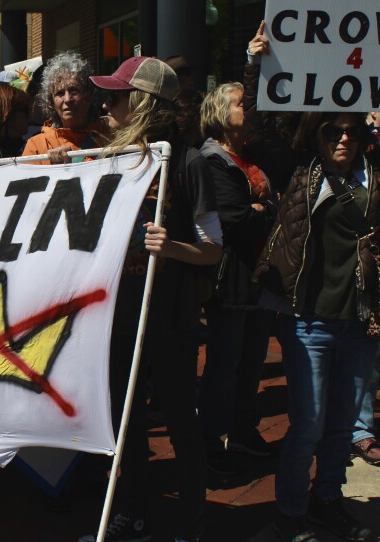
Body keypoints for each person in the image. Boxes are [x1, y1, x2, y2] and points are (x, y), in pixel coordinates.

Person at [81, 56, 222, 542]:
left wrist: (173, 246)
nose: (106, 104)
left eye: (117, 96)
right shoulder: (113, 158)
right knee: (126, 425)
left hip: (169, 320)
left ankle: (191, 524)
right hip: (117, 318)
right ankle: (133, 513)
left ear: (143, 104)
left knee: (181, 423)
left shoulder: (189, 161)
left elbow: (213, 250)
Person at [247, 22, 378, 542]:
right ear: (317, 133)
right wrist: (256, 65)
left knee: (343, 427)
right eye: (332, 130)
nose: (342, 138)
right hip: (310, 322)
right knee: (307, 425)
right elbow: (256, 131)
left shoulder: (373, 175)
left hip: (360, 322)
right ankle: (291, 513)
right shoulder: (300, 172)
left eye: (351, 131)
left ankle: (328, 503)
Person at [197, 82, 276, 477]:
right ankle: (211, 441)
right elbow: (234, 219)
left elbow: (261, 209)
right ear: (219, 112)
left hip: (260, 278)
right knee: (225, 365)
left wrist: (262, 207)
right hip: (232, 279)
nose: (248, 107)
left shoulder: (252, 157)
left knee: (252, 363)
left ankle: (243, 431)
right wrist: (264, 210)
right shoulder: (213, 160)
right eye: (241, 102)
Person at [22, 51, 107, 165]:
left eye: (74, 91)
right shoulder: (37, 145)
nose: (67, 99)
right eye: (60, 93)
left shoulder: (111, 140)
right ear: (51, 102)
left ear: (89, 95)